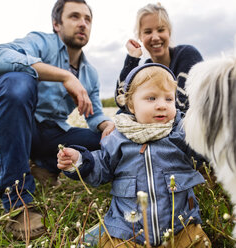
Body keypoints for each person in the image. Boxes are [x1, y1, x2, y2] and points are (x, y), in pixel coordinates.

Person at [0, 0, 114, 240]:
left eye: (87, 19)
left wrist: (106, 126)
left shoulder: (90, 73)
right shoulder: (41, 43)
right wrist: (62, 75)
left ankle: (43, 166)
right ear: (57, 24)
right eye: (74, 16)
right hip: (12, 127)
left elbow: (94, 114)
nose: (82, 23)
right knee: (16, 80)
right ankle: (18, 200)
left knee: (105, 141)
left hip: (52, 133)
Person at [57, 63, 211, 247]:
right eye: (151, 98)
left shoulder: (181, 132)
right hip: (128, 230)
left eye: (169, 99)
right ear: (131, 105)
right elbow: (101, 167)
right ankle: (105, 232)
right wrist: (79, 161)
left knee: (199, 243)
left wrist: (207, 129)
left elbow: (202, 149)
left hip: (180, 226)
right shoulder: (117, 138)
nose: (162, 105)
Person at [115, 3, 203, 113]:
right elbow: (122, 101)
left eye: (161, 30)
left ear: (169, 32)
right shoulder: (146, 70)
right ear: (140, 37)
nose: (155, 37)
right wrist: (132, 57)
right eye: (148, 32)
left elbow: (183, 106)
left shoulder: (187, 55)